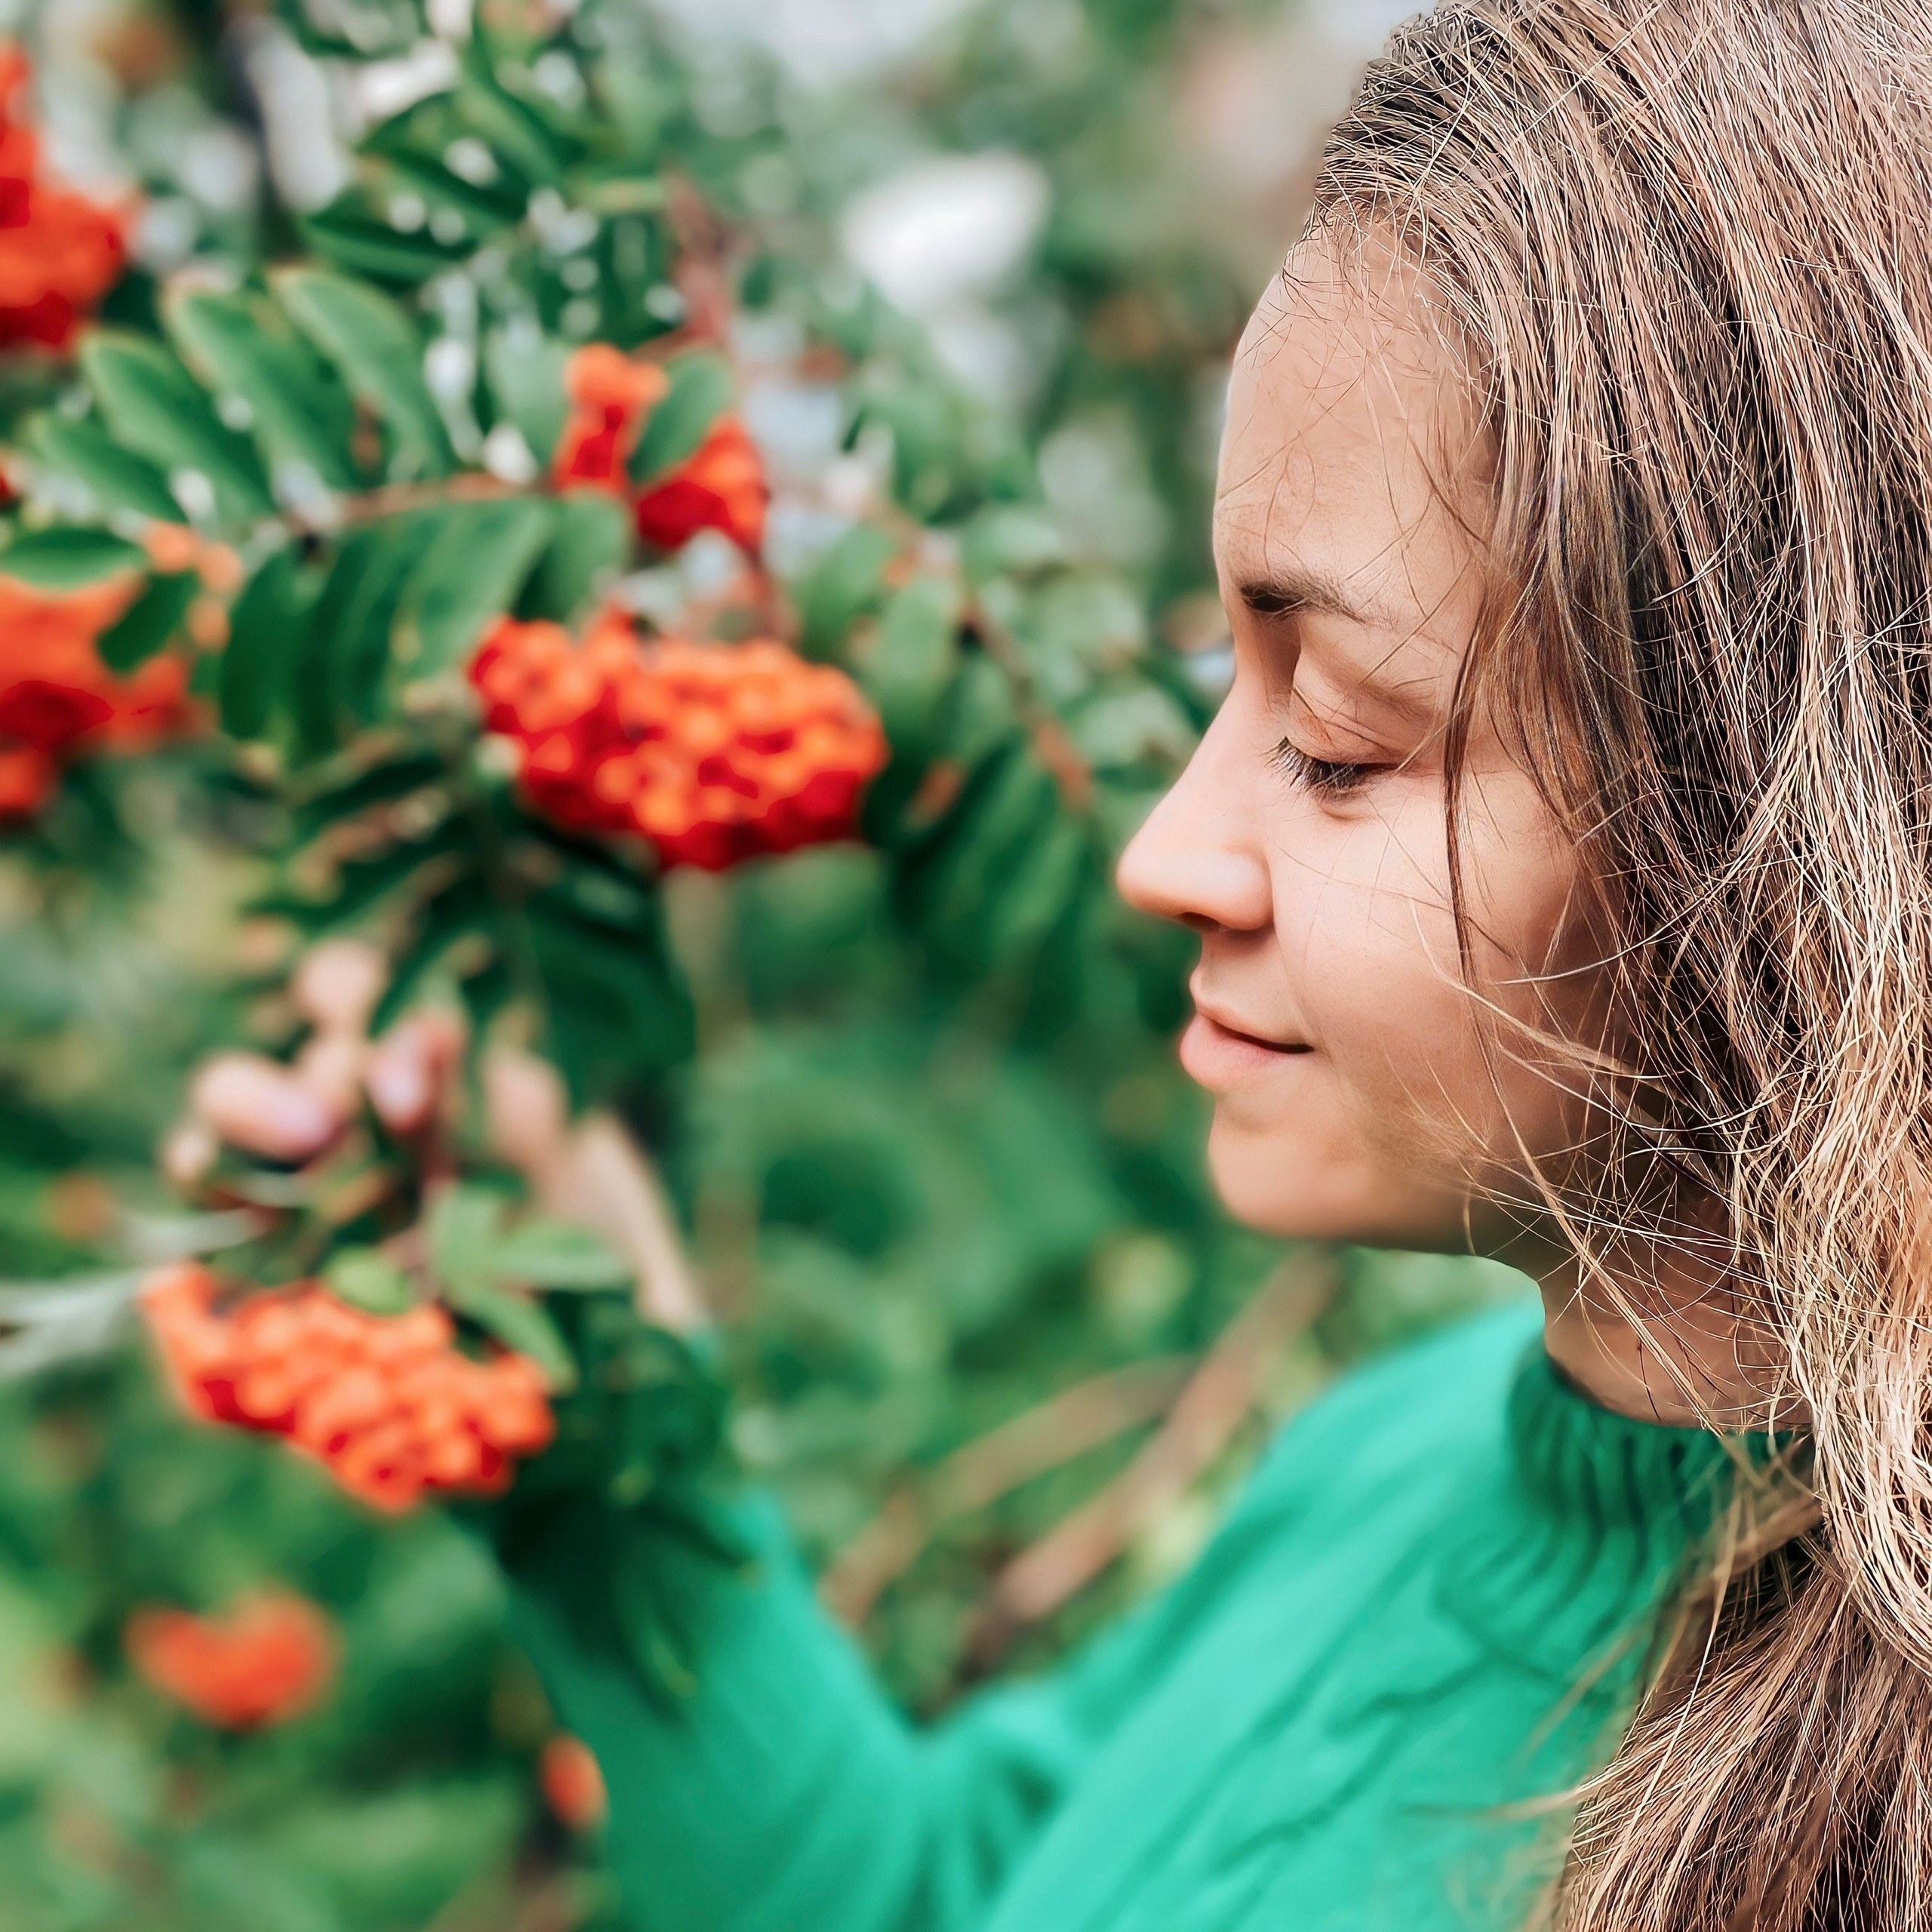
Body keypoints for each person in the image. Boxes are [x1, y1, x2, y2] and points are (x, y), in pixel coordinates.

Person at [488, 2, 1932, 1925]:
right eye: (1215, 682)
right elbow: (957, 1895)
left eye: (1332, 735)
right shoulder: (1391, 1451)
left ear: (1784, 820)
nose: (1162, 852)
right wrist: (595, 1406)